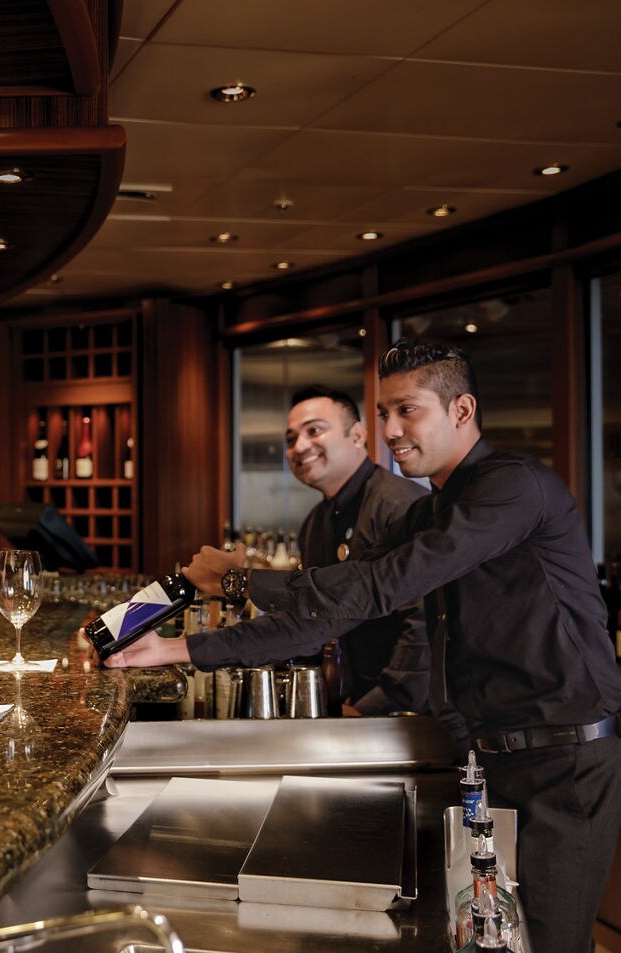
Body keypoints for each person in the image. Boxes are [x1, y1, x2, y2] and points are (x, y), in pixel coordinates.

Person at [108, 339, 621, 953]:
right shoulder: (432, 509)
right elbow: (335, 607)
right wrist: (176, 651)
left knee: (549, 945)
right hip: (488, 761)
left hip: (563, 765)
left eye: (408, 410)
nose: (392, 430)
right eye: (384, 414)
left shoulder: (513, 487)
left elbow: (383, 586)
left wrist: (241, 580)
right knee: (489, 943)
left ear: (462, 410)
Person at [284, 385, 430, 716]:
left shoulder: (399, 507)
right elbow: (317, 614)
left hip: (409, 715)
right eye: (290, 439)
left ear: (358, 435)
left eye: (314, 430)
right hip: (349, 705)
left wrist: (374, 708)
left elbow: (425, 624)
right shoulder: (315, 522)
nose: (300, 446)